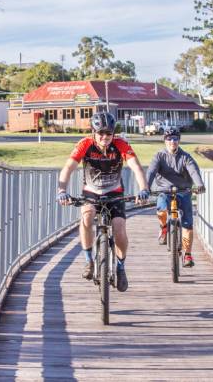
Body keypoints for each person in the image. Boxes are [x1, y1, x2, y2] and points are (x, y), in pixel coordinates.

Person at [57, 111, 149, 292]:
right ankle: (89, 260)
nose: (105, 137)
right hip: (91, 192)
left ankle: (121, 267)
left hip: (115, 193)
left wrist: (143, 189)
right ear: (93, 132)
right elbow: (68, 167)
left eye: (109, 133)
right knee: (86, 217)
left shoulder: (121, 144)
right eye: (101, 133)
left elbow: (136, 167)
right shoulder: (85, 144)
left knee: (119, 227)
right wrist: (61, 191)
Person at [146, 127, 206, 268]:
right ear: (165, 141)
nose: (172, 141)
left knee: (187, 224)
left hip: (183, 191)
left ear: (179, 140)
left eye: (175, 139)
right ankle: (164, 227)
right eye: (169, 139)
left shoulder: (185, 157)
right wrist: (145, 187)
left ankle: (187, 255)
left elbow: (193, 170)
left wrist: (199, 184)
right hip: (164, 191)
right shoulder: (159, 156)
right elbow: (151, 171)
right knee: (161, 210)